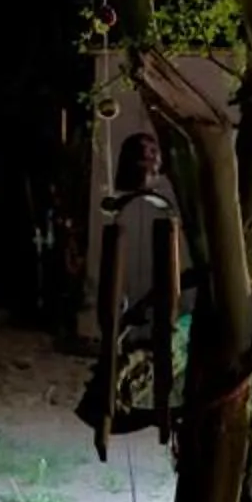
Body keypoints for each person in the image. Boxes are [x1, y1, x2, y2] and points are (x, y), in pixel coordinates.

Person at [76, 130, 187, 451]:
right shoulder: (123, 218)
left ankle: (160, 413)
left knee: (165, 335)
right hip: (129, 319)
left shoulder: (166, 212)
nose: (149, 157)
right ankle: (112, 415)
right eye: (142, 153)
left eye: (153, 152)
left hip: (161, 317)